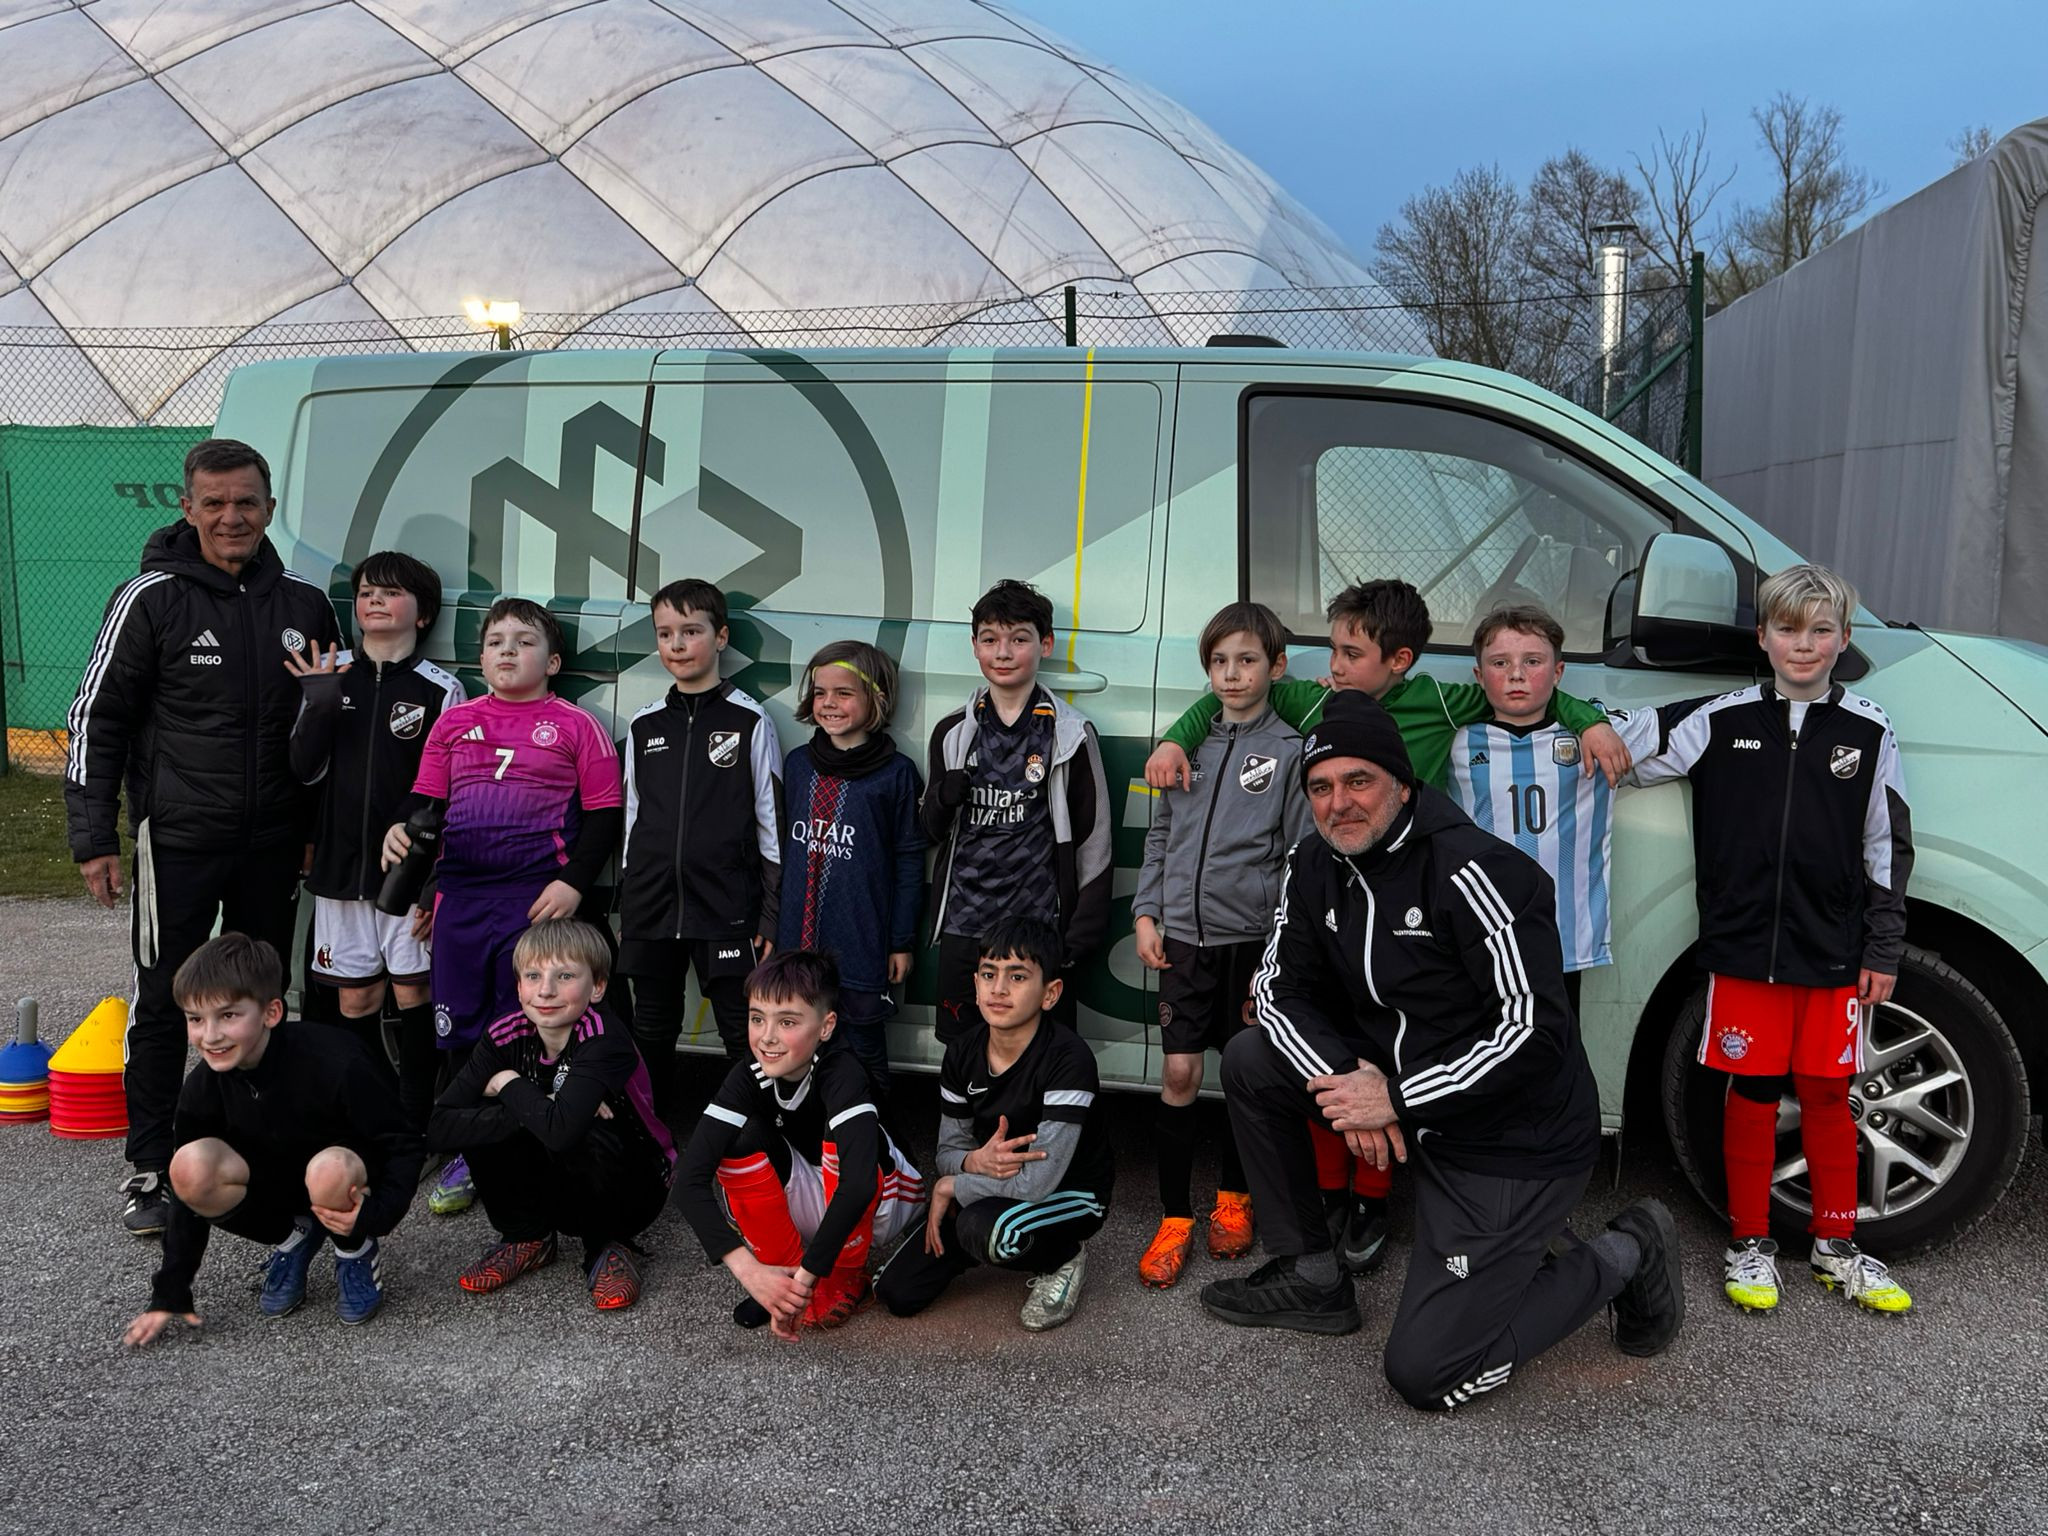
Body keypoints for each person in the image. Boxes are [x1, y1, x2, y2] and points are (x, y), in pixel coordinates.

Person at [1198, 691, 1684, 1412]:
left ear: (1400, 782)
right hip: (1407, 1098)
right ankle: (1314, 1276)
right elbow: (1275, 993)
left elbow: (1534, 1034)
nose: (1340, 804)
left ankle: (1628, 1250)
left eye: (1359, 781)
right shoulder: (1313, 864)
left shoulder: (1477, 870)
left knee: (1431, 1374)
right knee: (1251, 1058)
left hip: (1511, 1137)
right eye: (1322, 788)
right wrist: (1347, 1085)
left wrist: (1393, 1098)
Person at [1145, 579, 1633, 1269]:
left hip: (1414, 896)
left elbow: (1520, 691)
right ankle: (1323, 1220)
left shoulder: (1438, 705)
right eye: (1323, 784)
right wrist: (1175, 738)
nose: (1336, 665)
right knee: (1310, 1044)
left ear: (1399, 661)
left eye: (1350, 652)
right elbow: (1232, 694)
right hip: (1346, 897)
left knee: (1397, 1036)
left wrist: (1590, 720)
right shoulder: (1312, 704)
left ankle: (1381, 1198)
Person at [66, 437, 341, 1238]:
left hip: (273, 844)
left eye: (246, 502)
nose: (231, 517)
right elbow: (97, 719)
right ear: (186, 508)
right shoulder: (149, 598)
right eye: (214, 503)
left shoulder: (303, 605)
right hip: (176, 839)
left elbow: (324, 736)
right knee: (164, 1003)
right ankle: (151, 1167)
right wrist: (96, 838)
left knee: (261, 1004)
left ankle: (261, 1149)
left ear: (269, 509)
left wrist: (313, 831)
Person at [1631, 564, 1915, 1315]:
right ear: (1763, 637)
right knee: (1753, 1091)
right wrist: (1572, 720)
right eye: (1788, 628)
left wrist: (1882, 947)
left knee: (1828, 1092)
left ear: (1844, 641)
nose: (1804, 644)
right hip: (1743, 950)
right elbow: (1619, 750)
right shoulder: (1718, 720)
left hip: (1833, 951)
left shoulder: (1870, 729)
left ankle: (1836, 1246)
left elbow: (1887, 845)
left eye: (1821, 630)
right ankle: (1750, 1243)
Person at [383, 598, 623, 1216]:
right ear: (480, 657)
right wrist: (413, 859)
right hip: (462, 899)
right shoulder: (453, 723)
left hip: (535, 902)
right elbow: (425, 810)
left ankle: (533, 1133)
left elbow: (603, 817)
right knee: (461, 1027)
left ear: (554, 660)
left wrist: (573, 884)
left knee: (526, 1022)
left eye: (524, 640)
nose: (508, 650)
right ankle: (470, 1145)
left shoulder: (574, 724)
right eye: (495, 642)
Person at [121, 934, 422, 1346]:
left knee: (328, 1169)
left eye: (228, 1016)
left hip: (341, 1178)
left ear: (272, 1012)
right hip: (278, 1188)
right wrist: (170, 1288)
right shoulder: (203, 1087)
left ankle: (353, 1251)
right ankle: (293, 1236)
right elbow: (186, 1201)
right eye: (196, 1019)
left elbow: (402, 1142)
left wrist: (376, 1216)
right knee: (189, 1167)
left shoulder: (337, 1060)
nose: (210, 1036)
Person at [1131, 601, 1312, 1287]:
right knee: (1179, 1075)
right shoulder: (1186, 747)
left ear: (1276, 667)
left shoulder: (1290, 751)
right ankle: (1175, 1214)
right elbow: (1159, 837)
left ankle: (1236, 1200)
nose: (1231, 675)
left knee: (1243, 1073)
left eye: (1246, 660)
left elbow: (1300, 854)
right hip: (1182, 939)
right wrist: (1149, 912)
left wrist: (1280, 945)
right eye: (1219, 662)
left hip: (1251, 943)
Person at [287, 550, 463, 1126]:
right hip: (341, 868)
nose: (374, 600)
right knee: (356, 999)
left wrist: (430, 864)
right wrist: (317, 703)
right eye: (365, 592)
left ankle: (414, 1123)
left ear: (423, 614)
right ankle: (367, 1118)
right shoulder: (329, 672)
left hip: (406, 875)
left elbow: (452, 789)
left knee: (413, 994)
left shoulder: (442, 689)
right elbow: (302, 769)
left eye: (390, 592)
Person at [875, 918, 1114, 1332]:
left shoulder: (1068, 1059)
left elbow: (1036, 1184)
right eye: (989, 974)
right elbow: (948, 1154)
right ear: (976, 982)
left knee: (984, 1229)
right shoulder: (962, 1053)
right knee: (895, 1291)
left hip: (1072, 1191)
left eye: (1017, 976)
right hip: (992, 1185)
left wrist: (953, 1186)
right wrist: (971, 1163)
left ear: (1050, 993)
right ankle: (976, 1239)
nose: (998, 988)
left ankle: (1062, 1258)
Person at [427, 919, 675, 1312]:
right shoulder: (504, 1033)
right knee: (495, 1119)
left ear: (597, 987)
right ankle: (528, 1236)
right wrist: (540, 1101)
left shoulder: (603, 1037)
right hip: (556, 1179)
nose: (546, 990)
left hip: (636, 1186)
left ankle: (607, 1246)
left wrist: (508, 1083)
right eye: (532, 975)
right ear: (519, 984)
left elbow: (561, 1133)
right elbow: (439, 1125)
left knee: (585, 1124)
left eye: (565, 976)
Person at [676, 950, 926, 1337]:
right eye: (757, 1018)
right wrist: (752, 1273)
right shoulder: (751, 1071)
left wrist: (813, 1274)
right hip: (817, 1196)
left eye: (787, 1021)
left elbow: (859, 1183)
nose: (768, 1037)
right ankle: (781, 1279)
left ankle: (843, 1275)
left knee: (841, 1135)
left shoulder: (841, 1070)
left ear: (826, 1026)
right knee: (738, 1139)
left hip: (886, 1200)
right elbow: (688, 1181)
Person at [1447, 605, 1660, 1016]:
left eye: (1532, 661)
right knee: (1486, 1055)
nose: (1516, 674)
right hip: (1478, 936)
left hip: (1564, 937)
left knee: (1558, 1053)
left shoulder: (1597, 733)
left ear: (1558, 673)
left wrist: (1592, 721)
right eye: (1499, 662)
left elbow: (1679, 723)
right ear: (1478, 676)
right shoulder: (1454, 742)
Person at [922, 580, 1111, 1041]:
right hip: (965, 924)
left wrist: (1078, 936)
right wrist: (944, 798)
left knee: (1039, 1051)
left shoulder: (1069, 734)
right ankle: (959, 1117)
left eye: (1019, 639)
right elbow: (927, 829)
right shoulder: (952, 732)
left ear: (1044, 644)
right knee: (962, 1047)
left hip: (1035, 926)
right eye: (990, 639)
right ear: (974, 647)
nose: (1003, 652)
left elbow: (1095, 839)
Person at [618, 578, 782, 1104]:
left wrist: (770, 912)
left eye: (691, 631)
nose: (677, 644)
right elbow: (633, 821)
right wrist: (630, 898)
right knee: (651, 1023)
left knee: (741, 1029)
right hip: (653, 905)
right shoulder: (644, 726)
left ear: (721, 638)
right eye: (665, 633)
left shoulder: (749, 720)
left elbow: (770, 824)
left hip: (726, 904)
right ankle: (654, 1135)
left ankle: (751, 1133)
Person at [775, 641, 924, 1113]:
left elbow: (909, 862)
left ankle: (874, 1144)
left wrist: (900, 940)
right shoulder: (798, 765)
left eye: (844, 693)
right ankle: (804, 1142)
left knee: (862, 1047)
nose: (829, 704)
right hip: (796, 938)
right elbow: (774, 852)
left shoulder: (897, 775)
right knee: (795, 1039)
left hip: (861, 942)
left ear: (877, 699)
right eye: (820, 693)